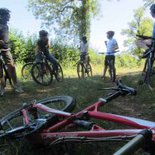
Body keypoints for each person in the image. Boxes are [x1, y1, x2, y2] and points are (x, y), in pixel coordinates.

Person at [0, 8, 23, 95]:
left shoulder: (6, 26)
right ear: (1, 16)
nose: (8, 18)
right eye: (7, 16)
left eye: (9, 16)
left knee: (11, 67)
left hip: (6, 49)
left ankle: (16, 86)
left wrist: (8, 43)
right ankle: (2, 87)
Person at [136, 4, 155, 73]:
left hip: (154, 42)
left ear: (153, 12)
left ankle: (148, 50)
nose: (150, 13)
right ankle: (149, 51)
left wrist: (145, 38)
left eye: (150, 11)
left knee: (138, 41)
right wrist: (146, 37)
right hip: (153, 40)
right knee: (142, 40)